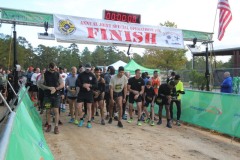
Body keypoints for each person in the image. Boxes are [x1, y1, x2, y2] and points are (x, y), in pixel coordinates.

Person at [38, 62, 64, 134]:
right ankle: (49, 125)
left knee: (56, 111)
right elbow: (40, 84)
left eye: (54, 69)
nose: (53, 71)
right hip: (47, 96)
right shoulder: (44, 74)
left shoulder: (58, 74)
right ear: (49, 67)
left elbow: (62, 84)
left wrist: (56, 88)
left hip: (56, 96)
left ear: (55, 68)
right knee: (48, 110)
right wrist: (48, 88)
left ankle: (56, 126)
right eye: (51, 69)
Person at [76, 63, 97, 128]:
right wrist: (83, 85)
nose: (88, 70)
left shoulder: (93, 75)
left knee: (89, 108)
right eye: (86, 68)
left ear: (91, 68)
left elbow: (96, 85)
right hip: (82, 92)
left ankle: (89, 121)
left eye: (89, 68)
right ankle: (81, 119)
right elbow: (77, 83)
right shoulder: (81, 75)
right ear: (84, 68)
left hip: (89, 93)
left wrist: (90, 85)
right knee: (78, 106)